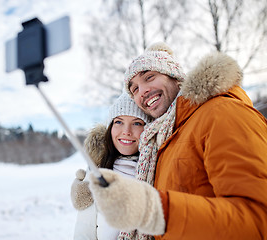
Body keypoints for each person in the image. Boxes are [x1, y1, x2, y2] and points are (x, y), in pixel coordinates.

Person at [87, 42, 267, 240]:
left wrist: (154, 210)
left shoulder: (222, 113)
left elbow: (259, 219)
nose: (143, 91)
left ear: (175, 76)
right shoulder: (163, 140)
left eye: (149, 77)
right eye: (134, 89)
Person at [71, 92, 149, 239]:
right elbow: (84, 232)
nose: (126, 132)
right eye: (118, 122)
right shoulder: (97, 173)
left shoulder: (157, 171)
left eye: (137, 123)